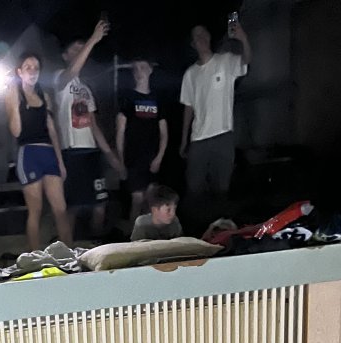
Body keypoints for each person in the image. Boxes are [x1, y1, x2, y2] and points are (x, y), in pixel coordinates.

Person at [54, 19, 124, 240]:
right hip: (72, 151)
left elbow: (93, 124)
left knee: (100, 202)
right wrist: (93, 39)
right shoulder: (60, 78)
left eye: (81, 49)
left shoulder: (85, 88)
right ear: (65, 56)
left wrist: (111, 156)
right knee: (73, 205)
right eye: (75, 49)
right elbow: (70, 74)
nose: (80, 52)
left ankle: (96, 242)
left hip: (91, 151)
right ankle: (67, 246)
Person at [179, 22, 252, 225]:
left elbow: (246, 60)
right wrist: (183, 141)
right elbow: (188, 108)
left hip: (223, 135)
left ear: (209, 37)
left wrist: (243, 38)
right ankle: (197, 228)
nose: (201, 38)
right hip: (198, 138)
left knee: (222, 188)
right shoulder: (190, 74)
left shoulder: (225, 61)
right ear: (193, 44)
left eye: (203, 34)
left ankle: (221, 230)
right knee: (194, 188)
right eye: (196, 36)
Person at [5, 53, 71, 252]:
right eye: (28, 67)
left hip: (48, 153)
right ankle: (35, 256)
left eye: (36, 67)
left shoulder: (44, 96)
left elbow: (52, 130)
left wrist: (60, 161)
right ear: (19, 72)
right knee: (36, 210)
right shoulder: (13, 94)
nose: (32, 71)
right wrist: (15, 101)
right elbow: (16, 131)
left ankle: (69, 254)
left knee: (61, 209)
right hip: (29, 154)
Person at [116, 60, 169, 225]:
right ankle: (133, 235)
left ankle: (148, 235)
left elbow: (164, 132)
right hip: (133, 157)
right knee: (137, 199)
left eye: (143, 67)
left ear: (150, 70)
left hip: (151, 156)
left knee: (150, 200)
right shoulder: (127, 97)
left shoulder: (157, 98)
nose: (139, 71)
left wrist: (159, 157)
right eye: (136, 68)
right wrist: (120, 160)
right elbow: (120, 131)